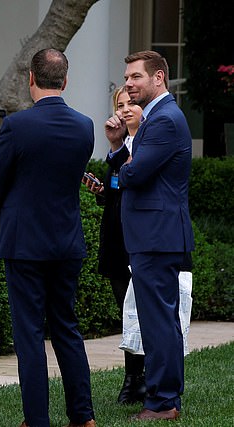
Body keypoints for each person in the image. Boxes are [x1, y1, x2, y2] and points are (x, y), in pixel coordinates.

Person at [0, 48, 95, 427]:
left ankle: (37, 420)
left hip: (24, 242)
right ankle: (83, 417)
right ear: (65, 81)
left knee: (29, 334)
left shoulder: (17, 126)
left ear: (30, 79)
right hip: (66, 240)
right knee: (67, 327)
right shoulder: (85, 126)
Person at [104, 50, 194, 421]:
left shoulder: (163, 121)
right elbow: (126, 170)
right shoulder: (156, 118)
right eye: (126, 78)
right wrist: (119, 148)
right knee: (158, 321)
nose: (128, 83)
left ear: (158, 78)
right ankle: (163, 397)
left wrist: (128, 153)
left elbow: (133, 176)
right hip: (152, 236)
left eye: (136, 77)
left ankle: (163, 402)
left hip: (157, 237)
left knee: (158, 323)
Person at [83, 86, 147, 404]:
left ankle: (144, 378)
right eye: (119, 105)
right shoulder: (120, 146)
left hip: (143, 241)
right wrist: (102, 189)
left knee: (144, 311)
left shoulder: (148, 141)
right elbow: (117, 188)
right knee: (127, 312)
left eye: (130, 104)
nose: (123, 110)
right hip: (117, 240)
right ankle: (133, 378)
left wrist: (117, 147)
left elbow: (134, 178)